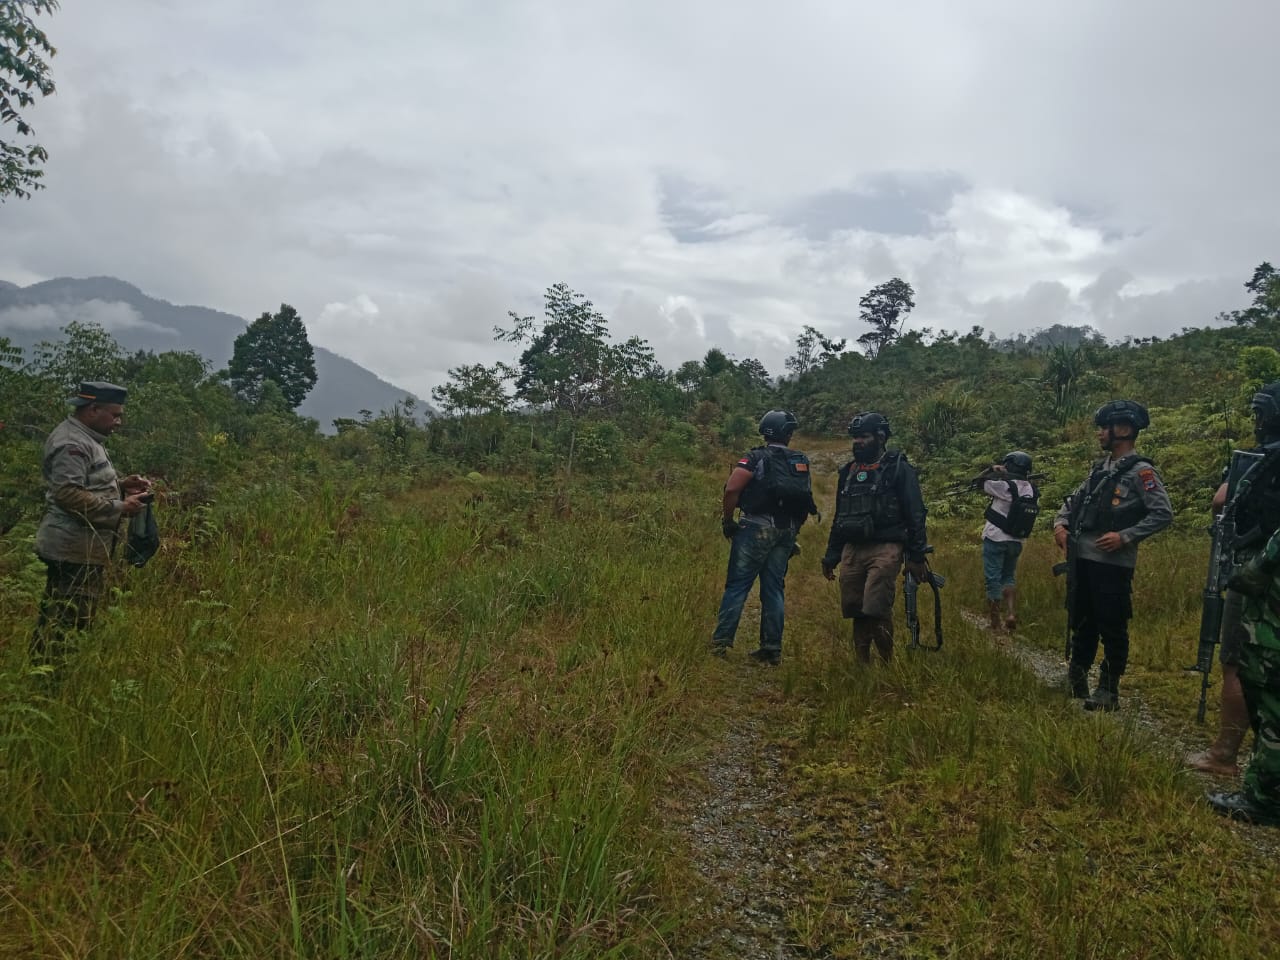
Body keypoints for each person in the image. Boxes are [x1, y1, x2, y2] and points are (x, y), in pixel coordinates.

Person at [1053, 400, 1173, 711]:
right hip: (1082, 559)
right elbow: (1072, 503)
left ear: (1122, 429)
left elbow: (1162, 513)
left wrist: (1125, 537)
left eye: (1104, 428)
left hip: (1112, 564)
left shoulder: (1141, 472)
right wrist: (1060, 526)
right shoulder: (1100, 469)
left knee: (1112, 625)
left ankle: (1109, 688)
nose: (1099, 434)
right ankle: (1076, 678)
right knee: (1082, 621)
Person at [31, 381, 151, 668]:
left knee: (66, 617)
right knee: (66, 622)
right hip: (72, 550)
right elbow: (67, 494)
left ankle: (47, 675)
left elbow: (85, 485)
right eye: (115, 415)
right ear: (93, 409)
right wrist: (121, 507)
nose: (119, 422)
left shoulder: (87, 438)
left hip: (82, 548)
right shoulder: (72, 443)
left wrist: (122, 485)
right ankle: (49, 682)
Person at [1207, 382, 1280, 825]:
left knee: (1250, 667)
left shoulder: (1263, 459)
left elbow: (1221, 502)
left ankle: (1258, 787)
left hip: (1261, 576)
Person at [710, 410, 818, 665]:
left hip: (755, 528)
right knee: (773, 589)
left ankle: (721, 643)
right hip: (786, 531)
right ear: (788, 434)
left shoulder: (755, 457)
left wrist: (728, 520)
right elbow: (804, 497)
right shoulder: (799, 460)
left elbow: (732, 488)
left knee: (737, 586)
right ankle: (771, 649)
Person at [821, 412, 929, 662]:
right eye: (855, 437)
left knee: (876, 608)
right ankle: (862, 665)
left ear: (880, 437)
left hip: (886, 546)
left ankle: (887, 663)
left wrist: (916, 555)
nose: (857, 442)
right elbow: (840, 515)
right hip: (852, 547)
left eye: (864, 437)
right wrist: (831, 556)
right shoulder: (847, 472)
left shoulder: (899, 469)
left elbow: (915, 513)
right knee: (855, 610)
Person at [970, 451, 1039, 633]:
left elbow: (979, 482)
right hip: (1016, 540)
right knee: (1008, 577)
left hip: (995, 538)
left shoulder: (1004, 486)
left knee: (993, 579)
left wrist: (992, 469)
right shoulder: (1032, 489)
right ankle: (1010, 613)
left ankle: (995, 623)